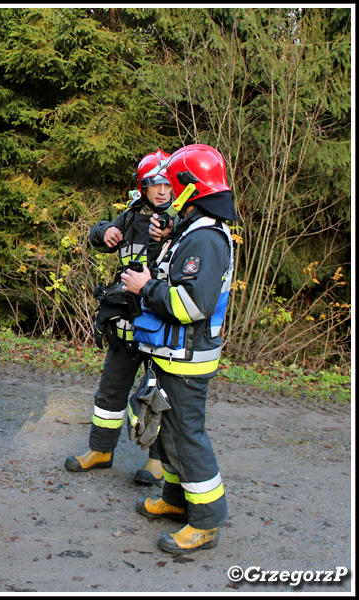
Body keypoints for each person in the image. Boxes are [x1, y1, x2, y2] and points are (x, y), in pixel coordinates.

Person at [120, 143, 237, 555]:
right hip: (170, 353)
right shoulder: (190, 231)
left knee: (187, 437)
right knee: (167, 432)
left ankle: (205, 522)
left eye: (173, 183)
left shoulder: (206, 239)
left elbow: (191, 305)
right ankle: (174, 500)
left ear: (191, 188)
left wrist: (145, 287)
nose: (167, 190)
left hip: (187, 357)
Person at [64, 151, 172, 485]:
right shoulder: (129, 218)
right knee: (110, 390)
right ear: (143, 186)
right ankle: (100, 450)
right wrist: (104, 230)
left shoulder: (179, 220)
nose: (162, 191)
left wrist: (169, 232)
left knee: (161, 395)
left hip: (163, 324)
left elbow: (184, 237)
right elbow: (98, 237)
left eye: (167, 184)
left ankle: (157, 462)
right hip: (126, 323)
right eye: (155, 184)